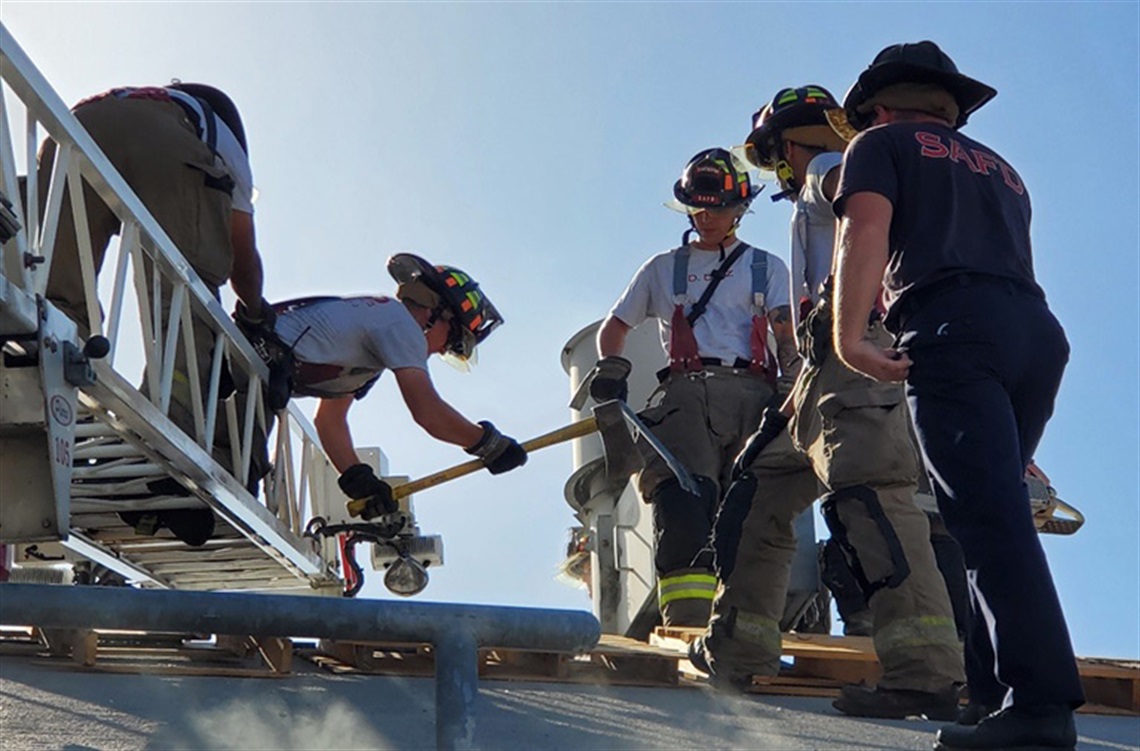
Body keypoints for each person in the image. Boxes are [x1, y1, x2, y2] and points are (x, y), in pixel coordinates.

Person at [830, 41, 1084, 750]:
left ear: (880, 105)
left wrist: (852, 338)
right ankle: (993, 693)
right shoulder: (1004, 171)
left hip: (951, 327)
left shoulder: (880, 143)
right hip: (1034, 334)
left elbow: (866, 227)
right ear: (951, 108)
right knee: (981, 513)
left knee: (987, 518)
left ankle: (1038, 707)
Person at [689, 86, 965, 720]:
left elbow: (844, 188)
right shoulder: (856, 172)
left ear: (785, 146)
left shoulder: (827, 167)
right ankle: (739, 648)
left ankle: (925, 672)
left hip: (855, 353)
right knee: (759, 488)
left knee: (870, 497)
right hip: (819, 369)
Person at [38, 82, 272, 546]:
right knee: (186, 300)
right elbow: (242, 257)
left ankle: (50, 407)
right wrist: (257, 315)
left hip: (69, 127)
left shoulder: (129, 98)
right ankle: (170, 471)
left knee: (58, 293)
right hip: (160, 146)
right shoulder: (220, 143)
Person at [588, 148, 798, 627]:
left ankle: (745, 631)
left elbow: (785, 335)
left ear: (740, 208)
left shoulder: (766, 268)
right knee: (683, 501)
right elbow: (613, 328)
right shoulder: (663, 268)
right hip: (687, 393)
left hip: (756, 396)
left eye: (717, 209)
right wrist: (611, 367)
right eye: (698, 209)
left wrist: (791, 386)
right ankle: (687, 623)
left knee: (754, 513)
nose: (706, 218)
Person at [240, 253, 528, 519]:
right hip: (238, 373)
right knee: (228, 486)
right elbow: (428, 413)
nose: (442, 352)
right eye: (453, 342)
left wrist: (358, 479)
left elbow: (329, 420)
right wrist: (489, 444)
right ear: (435, 312)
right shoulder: (401, 325)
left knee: (233, 483)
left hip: (243, 376)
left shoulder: (374, 335)